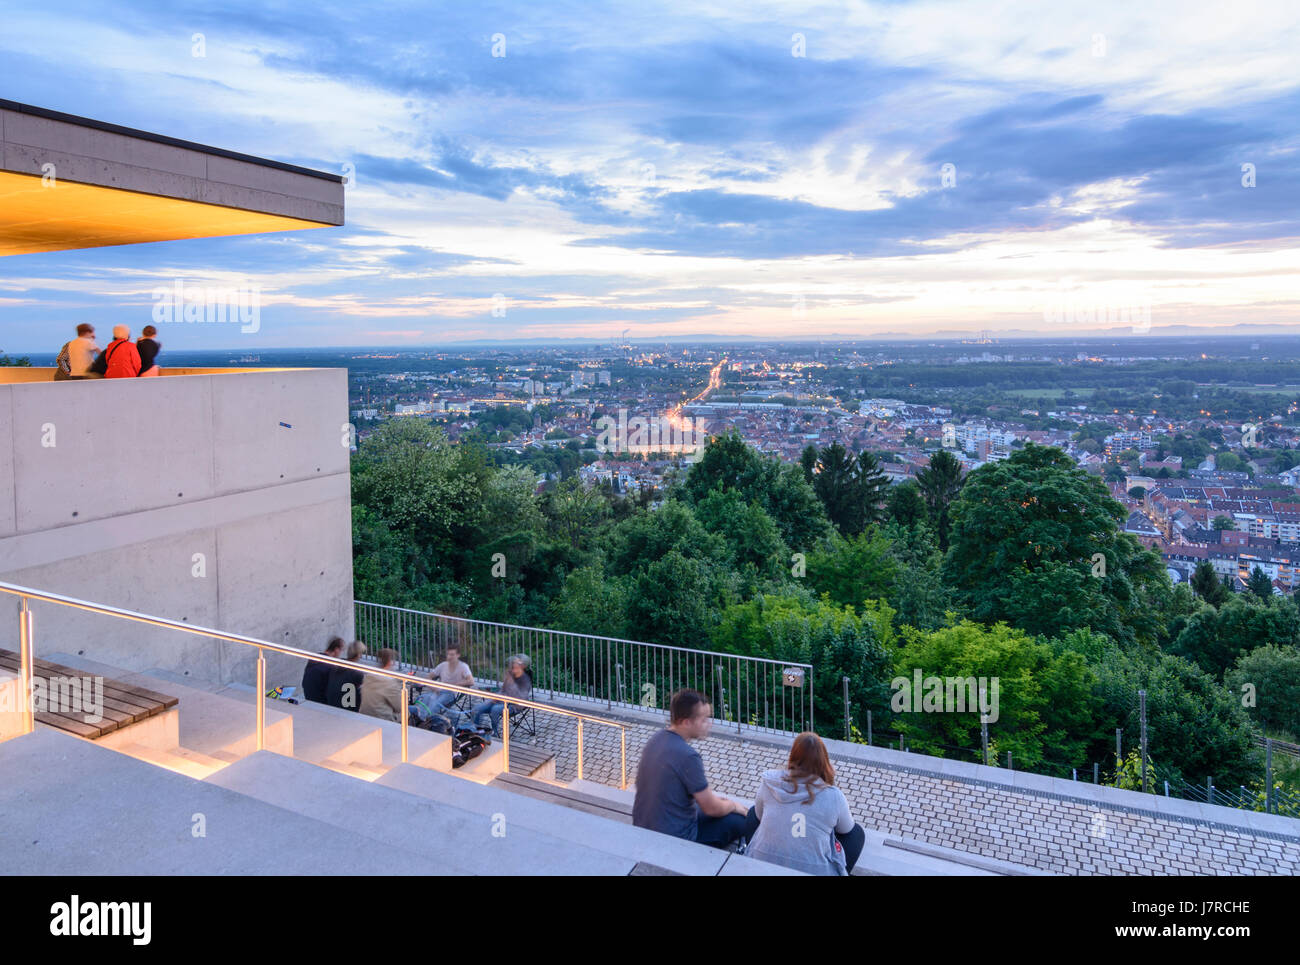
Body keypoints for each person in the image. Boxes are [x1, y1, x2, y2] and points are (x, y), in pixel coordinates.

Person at [632, 689, 757, 849]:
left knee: (721, 805)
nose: (709, 723)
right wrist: (733, 806)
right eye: (704, 719)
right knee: (740, 820)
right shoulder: (688, 756)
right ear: (686, 722)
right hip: (677, 840)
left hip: (645, 826)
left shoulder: (656, 739)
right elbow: (711, 808)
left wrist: (723, 803)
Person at [746, 732, 867, 876]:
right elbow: (846, 829)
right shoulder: (833, 795)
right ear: (824, 761)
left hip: (762, 867)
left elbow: (758, 816)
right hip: (816, 870)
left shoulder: (770, 783)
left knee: (753, 813)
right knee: (856, 834)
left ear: (793, 756)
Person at [470, 654, 532, 736]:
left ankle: (494, 733)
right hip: (501, 701)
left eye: (516, 663)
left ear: (523, 666)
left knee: (495, 709)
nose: (513, 664)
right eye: (513, 663)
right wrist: (495, 696)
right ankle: (476, 731)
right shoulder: (510, 674)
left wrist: (510, 687)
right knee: (477, 709)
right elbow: (503, 690)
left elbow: (520, 700)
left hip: (514, 706)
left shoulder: (525, 680)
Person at [420, 642, 474, 726]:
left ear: (458, 655)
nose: (449, 657)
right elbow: (428, 677)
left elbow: (471, 681)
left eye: (452, 655)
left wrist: (456, 684)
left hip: (450, 693)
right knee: (425, 699)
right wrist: (433, 687)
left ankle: (428, 724)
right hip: (438, 690)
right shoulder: (443, 665)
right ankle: (421, 721)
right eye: (448, 654)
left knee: (435, 704)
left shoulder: (463, 667)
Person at [360, 648, 404, 722]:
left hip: (365, 716)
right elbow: (399, 708)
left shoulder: (368, 676)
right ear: (390, 662)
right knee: (409, 712)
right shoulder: (391, 683)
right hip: (383, 720)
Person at [301, 636, 344, 704]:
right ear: (336, 650)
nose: (340, 653)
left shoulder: (315, 658)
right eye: (341, 650)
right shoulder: (331, 667)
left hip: (308, 696)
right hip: (320, 702)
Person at [326, 640, 367, 711]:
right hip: (347, 710)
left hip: (332, 705)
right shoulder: (357, 674)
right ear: (358, 655)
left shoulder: (336, 666)